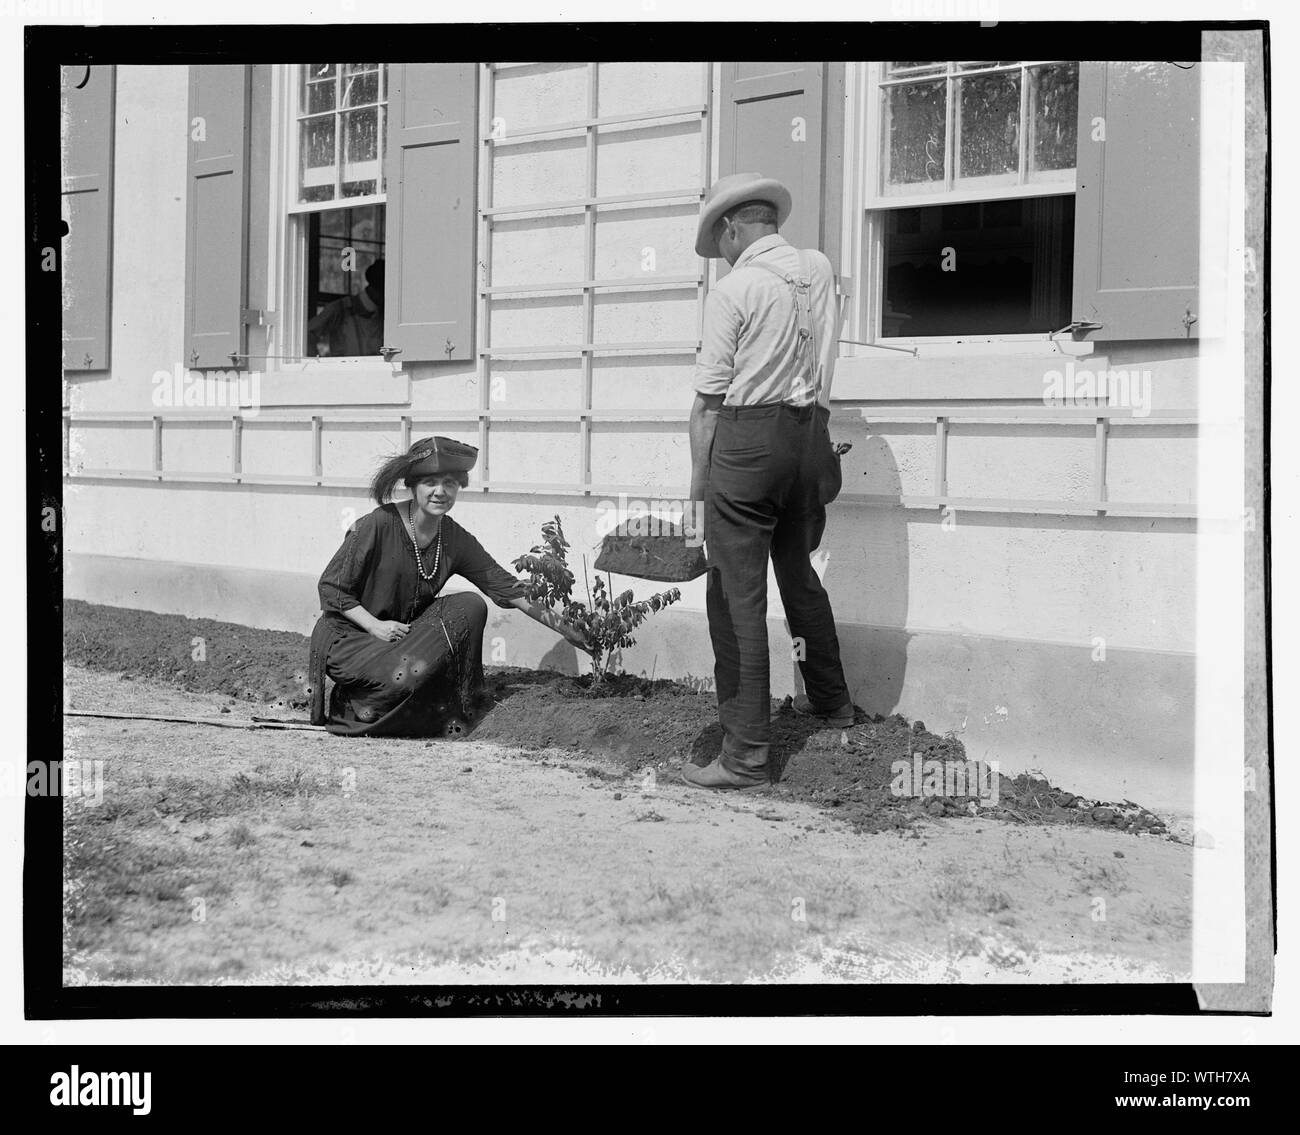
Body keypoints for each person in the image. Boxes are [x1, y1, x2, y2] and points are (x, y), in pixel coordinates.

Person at [682, 172, 853, 790]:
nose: (720, 255)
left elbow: (706, 407)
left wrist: (696, 495)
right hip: (811, 441)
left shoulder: (735, 291)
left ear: (732, 228)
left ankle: (746, 757)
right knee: (797, 571)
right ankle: (832, 703)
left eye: (718, 241)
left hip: (750, 444)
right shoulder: (820, 269)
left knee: (734, 596)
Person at [307, 436, 589, 736]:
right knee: (404, 676)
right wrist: (375, 625)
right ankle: (352, 701)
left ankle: (419, 699)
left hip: (399, 641)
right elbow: (331, 588)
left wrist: (565, 627)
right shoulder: (377, 524)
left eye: (450, 483)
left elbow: (509, 589)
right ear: (413, 487)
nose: (440, 492)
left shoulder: (454, 538)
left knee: (469, 605)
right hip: (350, 639)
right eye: (430, 483)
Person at [307, 258, 385, 357]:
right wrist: (318, 365)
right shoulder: (340, 309)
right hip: (346, 370)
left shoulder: (385, 315)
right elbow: (308, 334)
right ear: (376, 290)